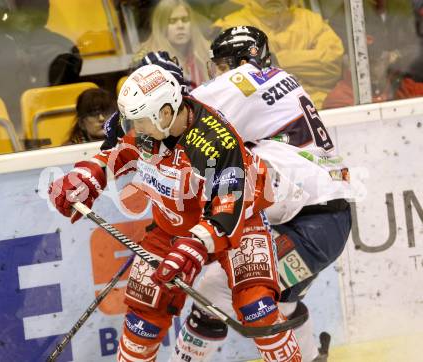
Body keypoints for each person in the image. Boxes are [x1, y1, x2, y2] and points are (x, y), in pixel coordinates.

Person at [48, 64, 303, 361]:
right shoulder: (141, 120)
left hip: (238, 222)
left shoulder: (217, 142)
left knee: (257, 308)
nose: (135, 128)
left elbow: (228, 206)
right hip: (172, 225)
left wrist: (195, 246)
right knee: (143, 319)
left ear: (167, 112)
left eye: (141, 121)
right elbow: (119, 150)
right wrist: (88, 176)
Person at [159, 26, 351, 362]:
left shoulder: (244, 82)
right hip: (323, 217)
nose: (218, 74)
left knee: (213, 293)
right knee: (280, 300)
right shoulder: (279, 79)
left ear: (243, 60)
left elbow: (176, 115)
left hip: (308, 222)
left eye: (221, 65)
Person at [212, 0, 344, 109]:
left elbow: (333, 66)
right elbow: (239, 83)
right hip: (265, 112)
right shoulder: (233, 26)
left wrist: (277, 60)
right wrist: (305, 64)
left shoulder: (311, 20)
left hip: (319, 108)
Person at [0, 0, 82, 132]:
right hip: (0, 127)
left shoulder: (59, 50)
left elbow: (47, 101)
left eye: (10, 11)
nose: (5, 16)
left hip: (37, 126)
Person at [133, 0, 210, 89]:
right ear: (161, 26)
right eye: (172, 21)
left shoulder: (206, 51)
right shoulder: (150, 62)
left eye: (185, 19)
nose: (180, 26)